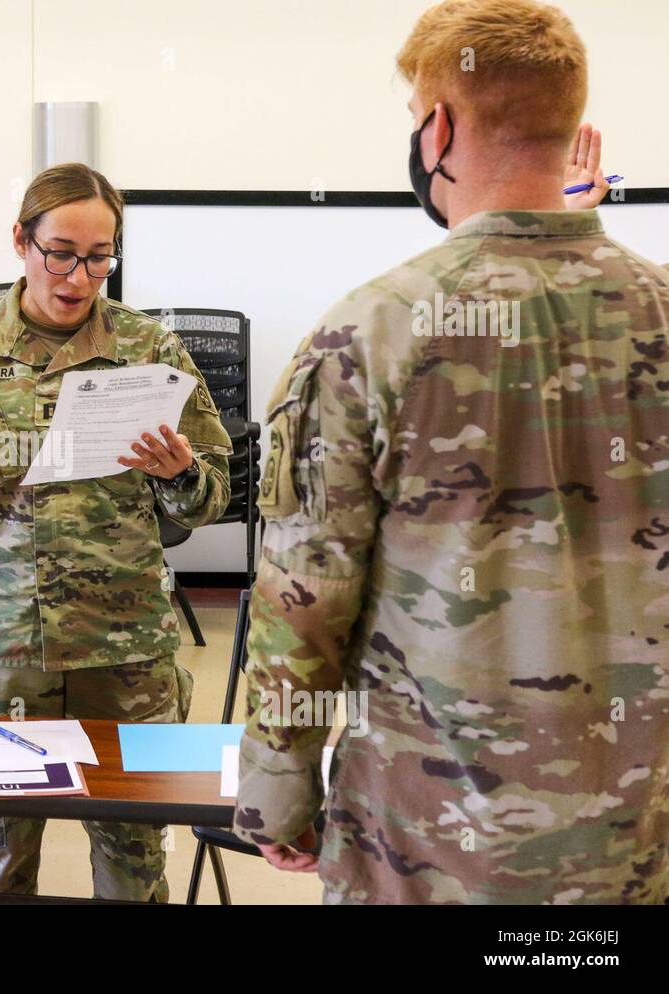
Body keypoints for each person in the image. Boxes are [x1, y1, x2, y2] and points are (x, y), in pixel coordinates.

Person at [233, 0, 669, 904]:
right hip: (641, 837)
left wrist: (277, 794)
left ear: (440, 127)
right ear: (572, 126)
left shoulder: (369, 333)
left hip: (428, 846)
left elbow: (304, 603)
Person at [0, 163, 233, 901]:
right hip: (1, 641)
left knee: (133, 859)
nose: (79, 274)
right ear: (20, 241)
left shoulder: (148, 348)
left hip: (124, 644)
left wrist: (179, 472)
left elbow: (210, 500)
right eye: (61, 251)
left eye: (100, 256)